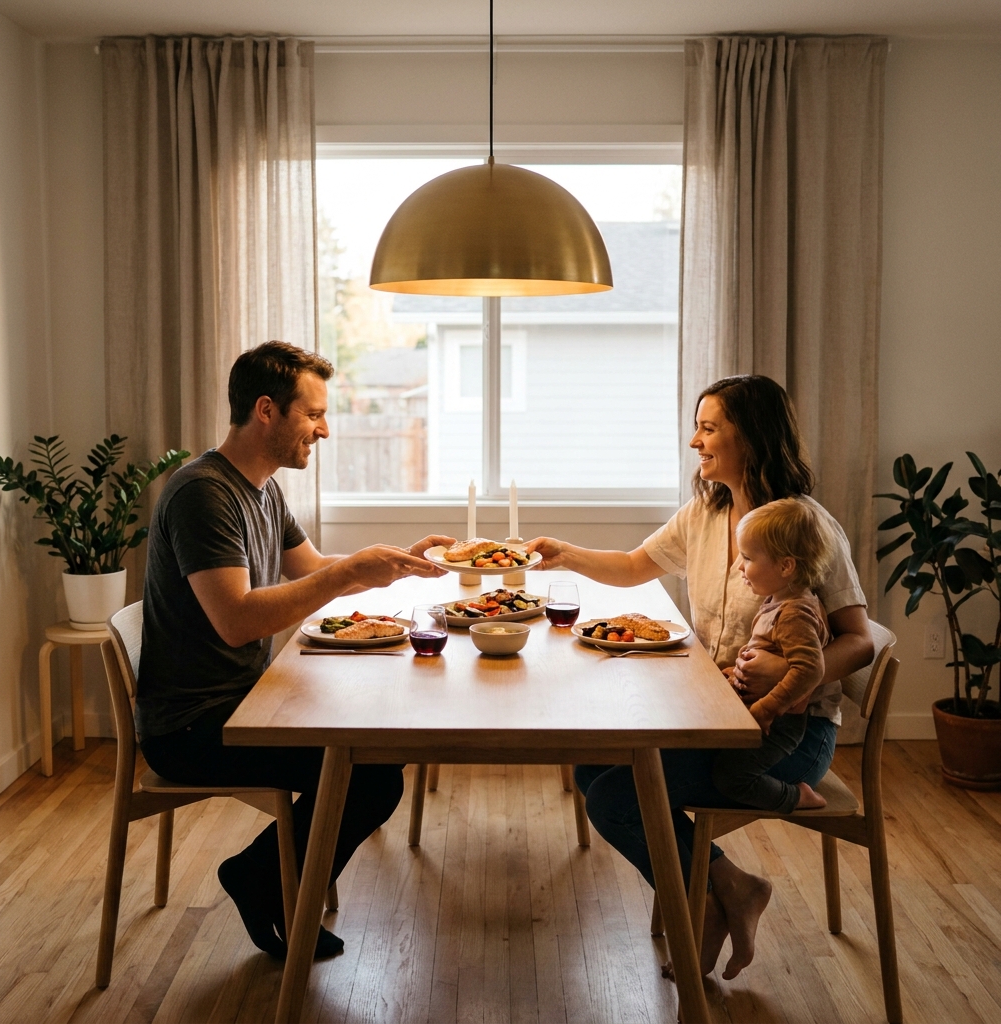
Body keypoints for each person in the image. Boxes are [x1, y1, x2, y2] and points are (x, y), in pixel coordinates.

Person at [524, 374, 873, 980]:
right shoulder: (709, 511)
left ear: (754, 437)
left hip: (785, 734)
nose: (695, 442)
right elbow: (637, 565)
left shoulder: (802, 526)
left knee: (615, 796)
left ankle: (714, 898)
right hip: (718, 719)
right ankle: (728, 885)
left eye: (709, 428)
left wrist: (794, 676)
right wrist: (566, 554)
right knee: (590, 764)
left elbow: (860, 640)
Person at [135, 341, 455, 960]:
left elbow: (310, 568)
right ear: (266, 411)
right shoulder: (203, 494)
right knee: (372, 772)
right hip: (193, 726)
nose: (325, 429)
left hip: (246, 700)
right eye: (313, 414)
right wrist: (348, 575)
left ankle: (271, 878)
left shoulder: (261, 488)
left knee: (375, 753)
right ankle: (258, 879)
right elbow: (236, 622)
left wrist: (394, 563)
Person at [711, 498, 833, 814]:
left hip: (780, 723)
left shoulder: (795, 613)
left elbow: (809, 669)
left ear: (785, 566)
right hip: (767, 714)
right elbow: (767, 648)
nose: (739, 565)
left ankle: (796, 798)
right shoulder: (779, 600)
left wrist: (766, 708)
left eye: (748, 557)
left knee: (730, 777)